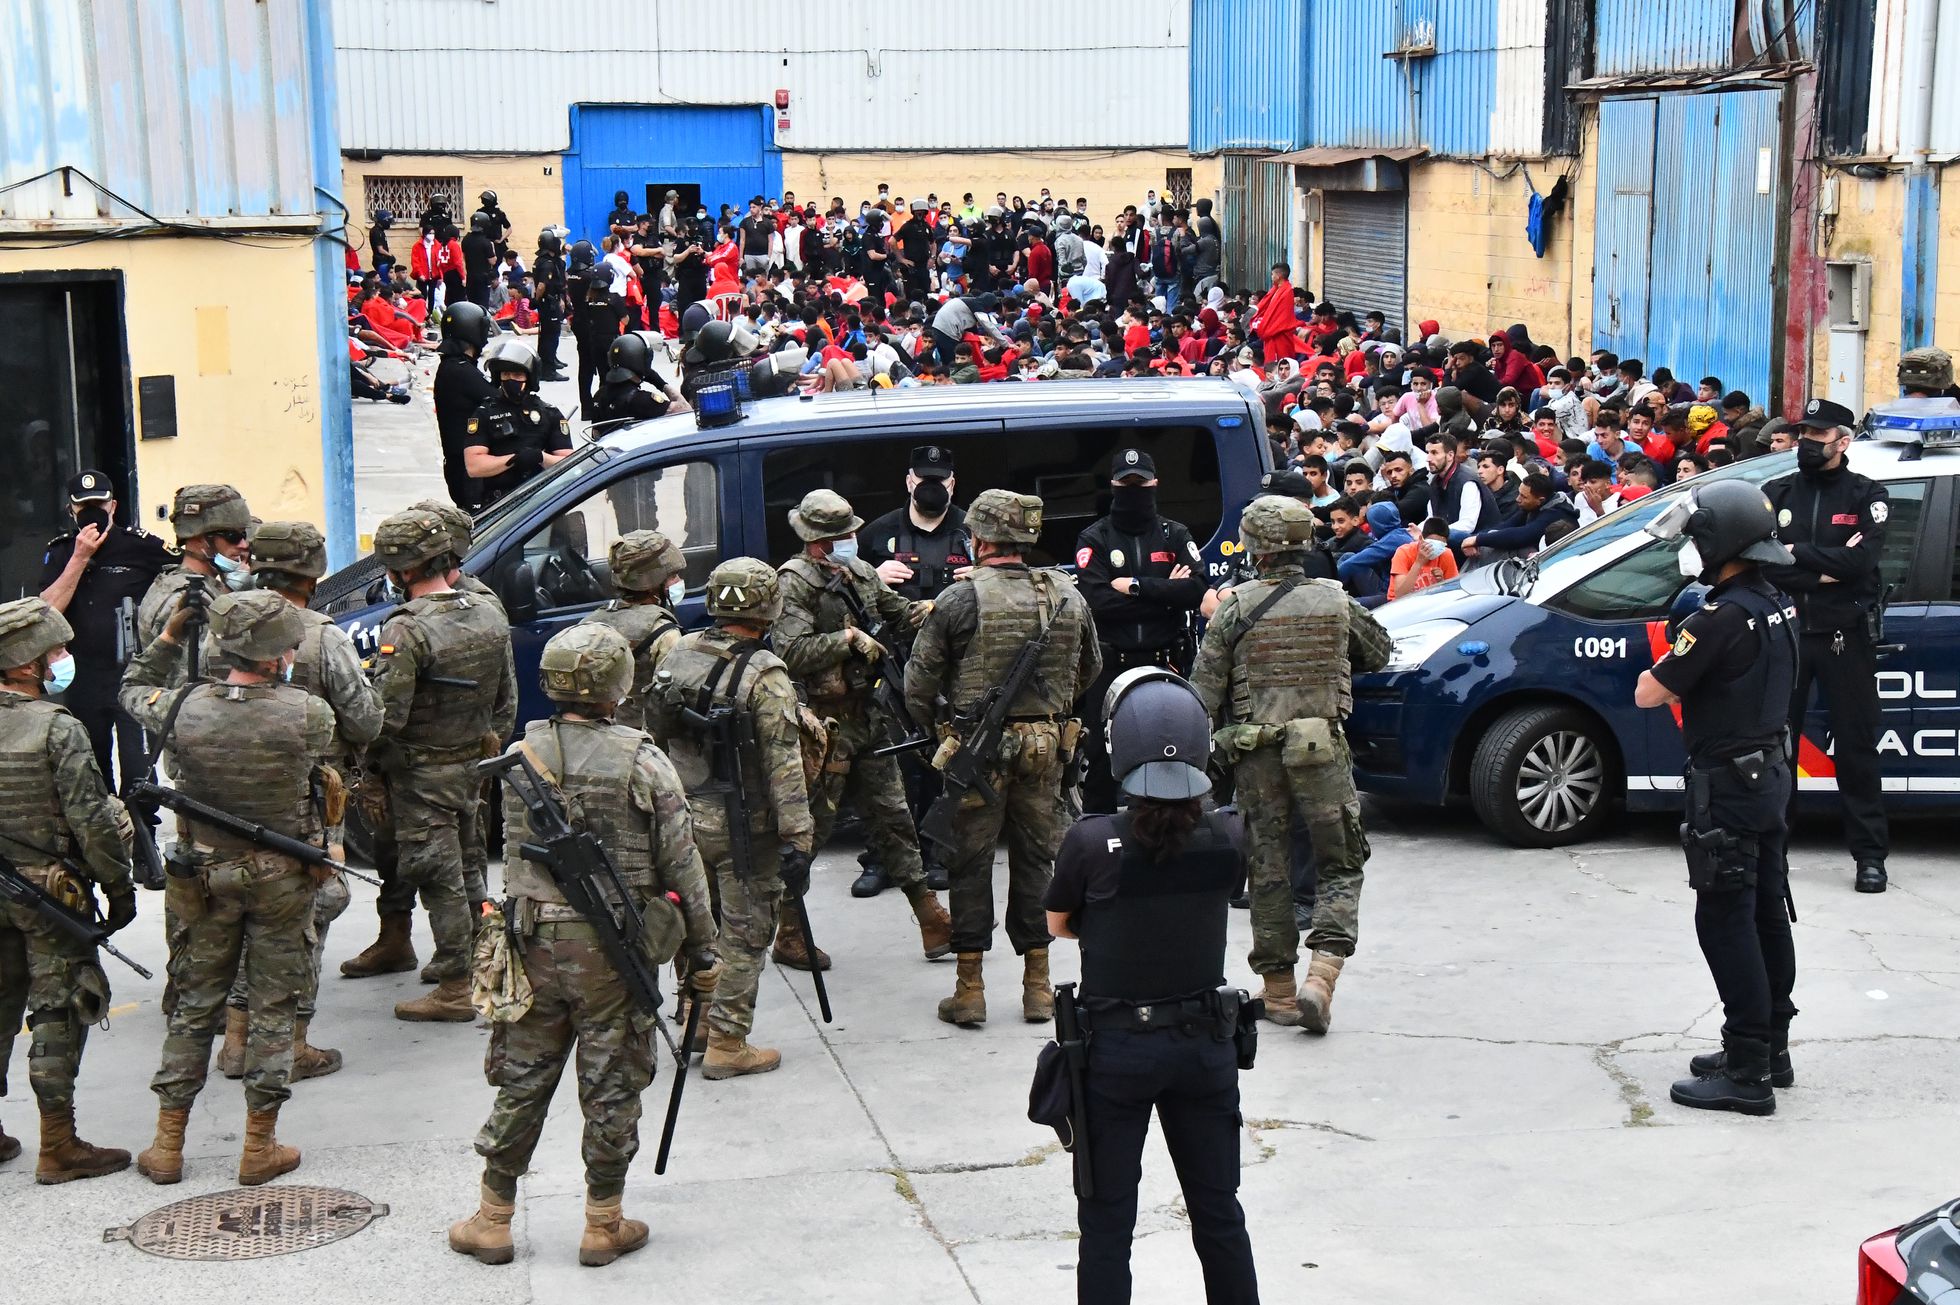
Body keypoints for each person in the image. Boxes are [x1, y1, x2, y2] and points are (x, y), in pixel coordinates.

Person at [448, 624, 717, 1268]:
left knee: (522, 1080)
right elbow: (684, 868)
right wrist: (700, 957)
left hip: (531, 941)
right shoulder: (645, 761)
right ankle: (603, 1223)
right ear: (619, 686)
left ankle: (492, 1218)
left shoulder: (523, 756)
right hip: (612, 953)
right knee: (612, 1084)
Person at [1044, 669, 1259, 1304]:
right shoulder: (1229, 832)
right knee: (1220, 1214)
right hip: (1205, 1045)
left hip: (1118, 1051)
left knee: (1107, 1224)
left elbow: (1059, 925)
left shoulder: (1091, 841)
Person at [122, 589, 336, 1186]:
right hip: (281, 876)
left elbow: (131, 691)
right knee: (272, 1007)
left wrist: (166, 641)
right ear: (276, 657)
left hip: (205, 876)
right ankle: (258, 1147)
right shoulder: (307, 713)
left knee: (194, 1006)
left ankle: (166, 1147)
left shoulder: (181, 707)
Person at [1191, 496, 1391, 1031]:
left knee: (1269, 869)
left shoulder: (1234, 606)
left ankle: (1278, 991)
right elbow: (1380, 653)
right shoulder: (1335, 600)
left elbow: (1203, 692)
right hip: (1322, 749)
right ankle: (1323, 973)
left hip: (1256, 756)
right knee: (1341, 862)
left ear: (1254, 548)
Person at [904, 490, 1100, 1027]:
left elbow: (918, 685)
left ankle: (970, 989)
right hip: (1046, 749)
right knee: (1037, 861)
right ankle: (1037, 987)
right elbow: (1090, 668)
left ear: (980, 540)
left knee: (969, 863)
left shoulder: (958, 600)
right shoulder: (1067, 595)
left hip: (976, 751)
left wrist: (939, 732)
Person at [1635, 480, 1799, 1115]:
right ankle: (1768, 1048)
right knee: (1764, 911)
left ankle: (1749, 1069)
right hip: (1768, 775)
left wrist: (1665, 662)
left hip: (1729, 783)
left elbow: (1651, 692)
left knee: (1725, 918)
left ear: (1721, 543)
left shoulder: (1721, 617)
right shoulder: (1773, 602)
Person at [204, 523, 381, 1085]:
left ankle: (235, 1041)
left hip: (221, 800)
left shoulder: (222, 628)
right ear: (312, 573)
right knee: (311, 911)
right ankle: (294, 1041)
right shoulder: (322, 636)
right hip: (302, 803)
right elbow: (365, 719)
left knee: (242, 917)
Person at [773, 491, 953, 959]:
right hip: (822, 727)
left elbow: (897, 614)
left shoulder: (860, 573)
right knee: (812, 828)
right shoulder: (793, 584)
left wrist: (940, 607)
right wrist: (847, 639)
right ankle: (789, 933)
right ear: (818, 543)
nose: (854, 539)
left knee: (893, 816)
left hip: (868, 716)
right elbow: (790, 651)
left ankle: (931, 918)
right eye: (844, 536)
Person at [353, 509, 516, 1021]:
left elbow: (387, 718)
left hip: (421, 775)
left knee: (437, 875)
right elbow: (506, 702)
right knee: (469, 869)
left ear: (400, 572)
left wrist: (372, 765)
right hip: (474, 766)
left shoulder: (405, 630)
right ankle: (481, 962)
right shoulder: (489, 613)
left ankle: (452, 985)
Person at [653, 559, 812, 1079]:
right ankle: (726, 1042)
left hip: (680, 820)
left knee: (701, 930)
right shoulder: (765, 675)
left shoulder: (676, 655)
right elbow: (784, 765)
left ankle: (698, 1022)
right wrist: (799, 838)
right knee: (744, 936)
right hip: (745, 827)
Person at [0, 597, 136, 1183]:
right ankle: (58, 1145)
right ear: (27, 665)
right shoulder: (58, 729)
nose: (65, 658)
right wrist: (119, 888)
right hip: (47, 896)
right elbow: (92, 821)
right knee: (58, 1009)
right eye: (56, 650)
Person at [1761, 398, 1891, 893]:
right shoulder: (1777, 492)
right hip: (1788, 635)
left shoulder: (1867, 495)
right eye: (1803, 435)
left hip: (1844, 638)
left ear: (1842, 441)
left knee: (1856, 748)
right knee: (1777, 748)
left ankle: (1870, 857)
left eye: (1817, 436)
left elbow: (1861, 565)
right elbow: (1766, 561)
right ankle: (1773, 854)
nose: (1807, 444)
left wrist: (1800, 557)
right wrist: (1824, 567)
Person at [856, 445, 973, 894]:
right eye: (923, 478)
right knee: (888, 765)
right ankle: (883, 858)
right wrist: (872, 576)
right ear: (908, 480)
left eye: (940, 479)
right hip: (893, 664)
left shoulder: (971, 531)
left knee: (944, 762)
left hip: (953, 667)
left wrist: (980, 575)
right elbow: (847, 597)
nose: (931, 486)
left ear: (952, 484)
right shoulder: (878, 534)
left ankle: (935, 853)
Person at [1074, 448, 1207, 814]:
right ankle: (1099, 842)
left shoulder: (1174, 534)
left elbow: (1196, 590)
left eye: (1141, 482)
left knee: (1173, 750)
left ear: (1154, 484)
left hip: (1166, 662)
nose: (1134, 489)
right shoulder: (1094, 538)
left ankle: (1174, 833)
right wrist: (1166, 594)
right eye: (1127, 483)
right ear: (1114, 485)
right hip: (1109, 665)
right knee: (1101, 757)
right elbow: (1097, 600)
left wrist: (1135, 585)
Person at [37, 470, 172, 788]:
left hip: (135, 674)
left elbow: (186, 578)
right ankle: (110, 834)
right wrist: (80, 557)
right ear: (72, 511)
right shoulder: (60, 552)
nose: (93, 513)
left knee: (140, 773)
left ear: (113, 506)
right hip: (86, 675)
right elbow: (48, 609)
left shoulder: (141, 546)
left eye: (100, 504)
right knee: (93, 772)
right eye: (85, 508)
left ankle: (144, 835)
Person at [577, 531, 687, 734]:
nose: (678, 581)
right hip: (644, 742)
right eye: (672, 576)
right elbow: (672, 703)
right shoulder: (664, 633)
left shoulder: (589, 624)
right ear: (653, 583)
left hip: (595, 736)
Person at [135, 484, 253, 660]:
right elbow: (188, 677)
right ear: (200, 539)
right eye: (232, 537)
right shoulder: (186, 600)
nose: (243, 544)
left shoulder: (197, 586)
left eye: (243, 534)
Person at [463, 337, 572, 509]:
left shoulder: (549, 413)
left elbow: (569, 464)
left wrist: (541, 457)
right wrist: (514, 460)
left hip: (541, 500)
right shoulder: (484, 413)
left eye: (517, 375)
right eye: (505, 374)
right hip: (498, 503)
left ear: (529, 377)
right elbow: (474, 466)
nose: (510, 380)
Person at [433, 301, 498, 510]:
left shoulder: (452, 366)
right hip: (468, 472)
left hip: (460, 466)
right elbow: (496, 399)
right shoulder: (461, 372)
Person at [591, 332, 685, 425]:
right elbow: (685, 409)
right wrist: (661, 384)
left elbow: (595, 433)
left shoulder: (599, 395)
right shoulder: (642, 400)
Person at [533, 226, 569, 381]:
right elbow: (542, 285)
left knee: (547, 336)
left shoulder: (541, 260)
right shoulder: (547, 263)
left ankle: (546, 365)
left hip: (548, 301)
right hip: (549, 303)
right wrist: (537, 300)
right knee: (550, 337)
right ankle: (549, 370)